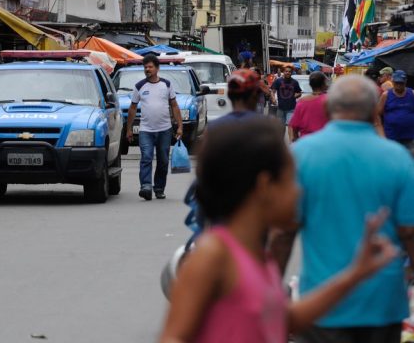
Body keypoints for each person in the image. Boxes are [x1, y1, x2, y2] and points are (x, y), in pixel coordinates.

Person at [160, 118, 398, 343]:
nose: (300, 191)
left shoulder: (258, 256)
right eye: (292, 180)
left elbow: (284, 320)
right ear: (265, 186)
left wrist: (355, 274)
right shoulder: (214, 254)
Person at [269, 75, 414, 343]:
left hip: (321, 305)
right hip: (383, 305)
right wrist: (406, 277)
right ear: (374, 111)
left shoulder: (301, 155)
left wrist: (270, 295)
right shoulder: (399, 159)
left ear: (327, 109)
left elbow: (282, 234)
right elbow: (410, 231)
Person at [126, 54, 183, 201]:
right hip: (146, 130)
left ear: (157, 68)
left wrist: (180, 127)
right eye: (145, 67)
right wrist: (129, 129)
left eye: (150, 66)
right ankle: (145, 186)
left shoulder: (167, 84)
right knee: (146, 157)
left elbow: (175, 106)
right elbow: (132, 109)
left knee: (163, 160)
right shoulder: (139, 86)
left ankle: (159, 188)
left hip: (165, 129)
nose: (147, 69)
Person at [377, 70, 414, 155]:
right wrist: (381, 134)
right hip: (391, 137)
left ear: (405, 82)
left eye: (401, 83)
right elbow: (377, 114)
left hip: (410, 138)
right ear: (393, 82)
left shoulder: (412, 94)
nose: (399, 85)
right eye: (397, 83)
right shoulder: (386, 95)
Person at [288, 71, 329, 142]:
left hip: (306, 142)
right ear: (323, 84)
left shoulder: (302, 102)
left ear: (310, 85)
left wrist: (296, 140)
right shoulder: (331, 100)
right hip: (326, 141)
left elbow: (294, 126)